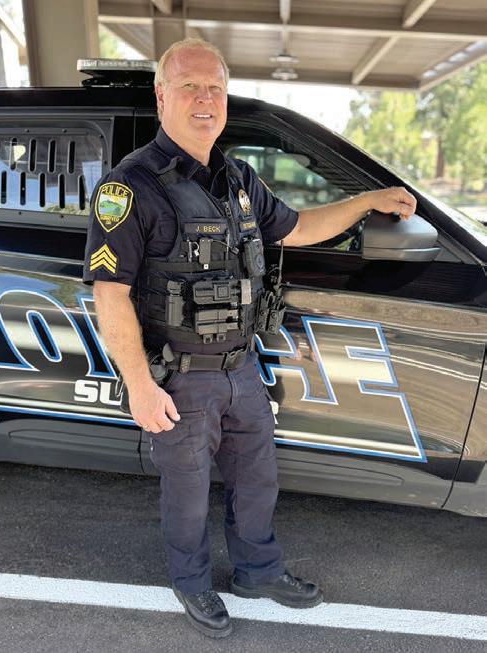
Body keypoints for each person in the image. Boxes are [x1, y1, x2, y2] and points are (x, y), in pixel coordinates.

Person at [83, 38, 416, 639]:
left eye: (215, 87)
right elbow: (111, 294)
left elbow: (300, 228)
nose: (205, 98)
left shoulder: (237, 178)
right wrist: (138, 385)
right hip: (179, 377)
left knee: (257, 478)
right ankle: (191, 582)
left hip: (241, 368)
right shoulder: (129, 187)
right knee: (187, 491)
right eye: (189, 86)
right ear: (162, 97)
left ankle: (257, 571)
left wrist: (367, 201)